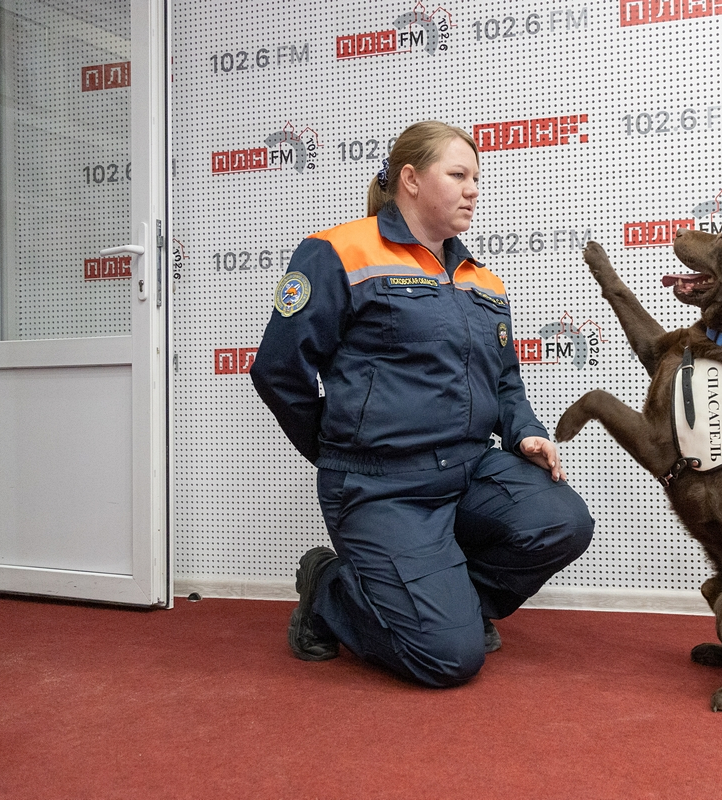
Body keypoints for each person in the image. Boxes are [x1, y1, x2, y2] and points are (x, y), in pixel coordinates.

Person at [250, 121, 594, 687]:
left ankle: (456, 603)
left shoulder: (482, 280)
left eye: (476, 177)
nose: (473, 189)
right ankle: (330, 589)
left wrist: (524, 432)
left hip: (469, 469)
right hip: (381, 485)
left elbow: (505, 382)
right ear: (409, 179)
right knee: (447, 661)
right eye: (457, 175)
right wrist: (335, 450)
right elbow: (279, 371)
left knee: (561, 521)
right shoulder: (337, 252)